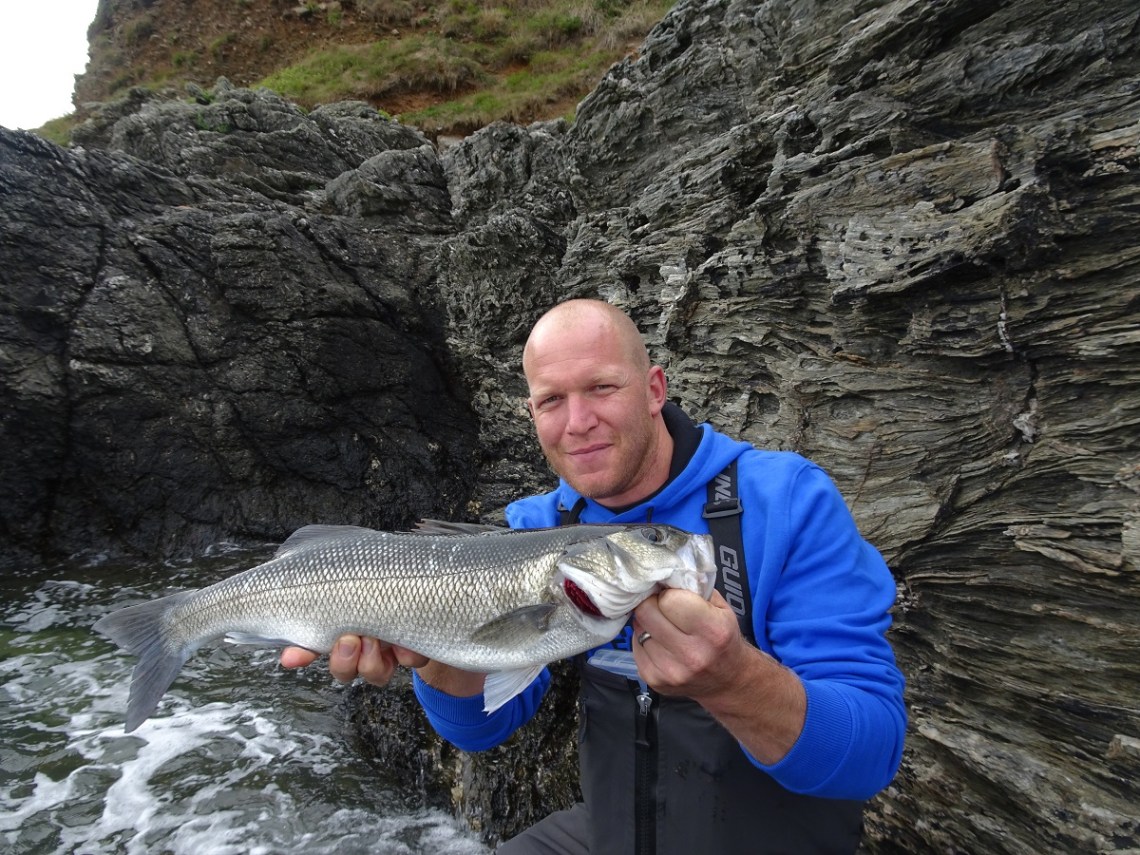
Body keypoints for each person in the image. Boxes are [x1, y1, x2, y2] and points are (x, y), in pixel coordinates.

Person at [282, 298, 906, 854]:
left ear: (655, 388)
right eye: (551, 400)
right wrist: (434, 650)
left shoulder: (787, 499)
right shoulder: (532, 525)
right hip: (615, 828)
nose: (577, 422)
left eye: (602, 388)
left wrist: (734, 680)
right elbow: (482, 728)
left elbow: (871, 753)